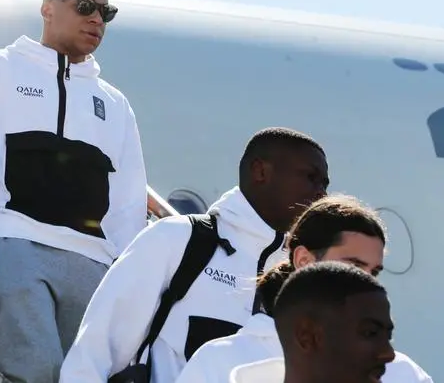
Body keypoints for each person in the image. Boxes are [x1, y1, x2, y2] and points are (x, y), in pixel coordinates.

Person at [0, 0, 149, 382]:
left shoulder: (114, 104)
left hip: (93, 262)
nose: (96, 19)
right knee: (38, 367)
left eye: (106, 11)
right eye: (85, 7)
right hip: (14, 242)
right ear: (47, 9)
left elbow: (129, 204)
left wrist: (125, 283)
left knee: (84, 375)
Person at [59, 127, 329, 383]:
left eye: (325, 184)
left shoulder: (302, 279)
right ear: (260, 171)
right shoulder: (176, 240)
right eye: (310, 177)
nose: (322, 194)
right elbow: (93, 355)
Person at [176, 195, 434, 383]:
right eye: (354, 266)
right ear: (303, 261)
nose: (366, 281)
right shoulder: (221, 362)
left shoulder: (402, 373)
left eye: (374, 272)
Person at [230, 261, 395, 383]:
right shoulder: (214, 364)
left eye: (388, 337)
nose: (389, 354)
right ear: (307, 337)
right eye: (370, 333)